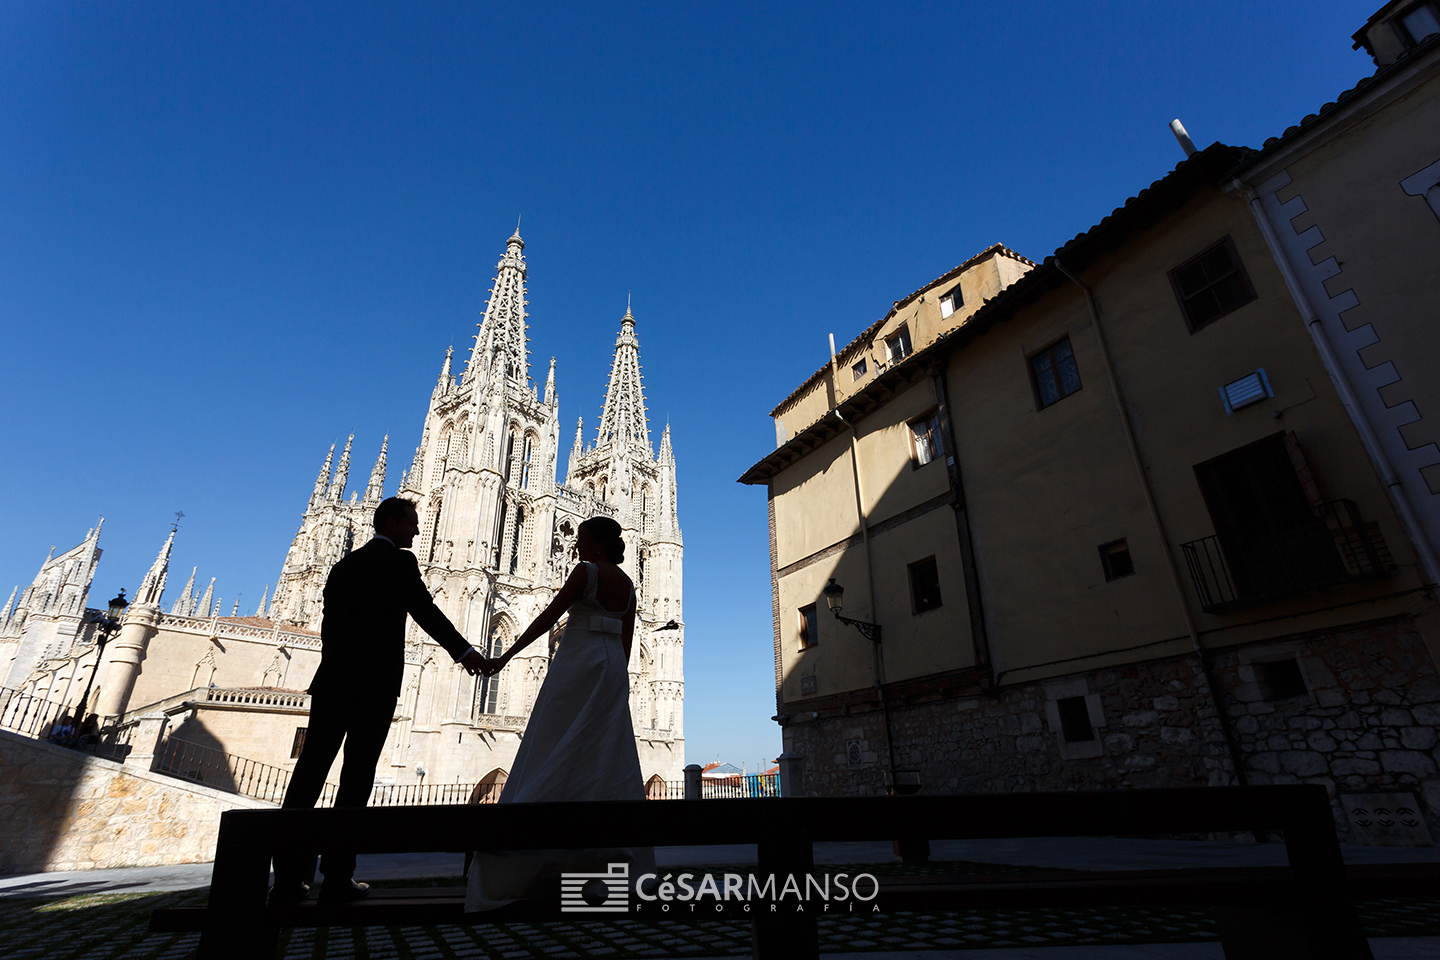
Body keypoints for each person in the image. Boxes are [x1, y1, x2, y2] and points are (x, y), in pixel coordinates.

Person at [271, 496, 487, 905]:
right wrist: (465, 653)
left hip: (333, 682)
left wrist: (337, 662)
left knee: (307, 777)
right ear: (391, 523)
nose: (418, 531)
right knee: (355, 781)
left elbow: (328, 626)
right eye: (412, 523)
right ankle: (336, 879)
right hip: (374, 688)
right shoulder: (400, 565)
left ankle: (285, 881)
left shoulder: (343, 566)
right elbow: (428, 613)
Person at [465, 516, 651, 912]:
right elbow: (627, 639)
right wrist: (619, 678)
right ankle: (605, 872)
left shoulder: (586, 572)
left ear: (597, 545)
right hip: (611, 668)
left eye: (581, 538)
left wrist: (507, 656)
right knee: (605, 754)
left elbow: (549, 617)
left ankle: (527, 859)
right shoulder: (628, 585)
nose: (576, 545)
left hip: (578, 665)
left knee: (551, 744)